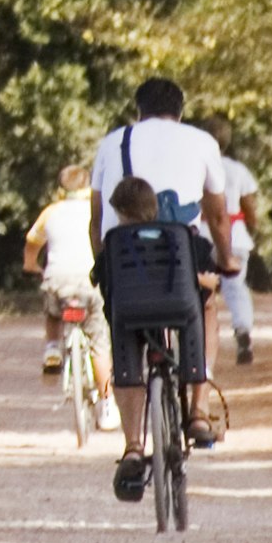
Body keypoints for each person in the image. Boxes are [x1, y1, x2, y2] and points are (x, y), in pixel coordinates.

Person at [96, 173, 223, 498]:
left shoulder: (114, 242)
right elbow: (212, 280)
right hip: (177, 312)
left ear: (121, 212)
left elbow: (100, 280)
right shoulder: (183, 236)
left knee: (123, 336)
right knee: (199, 310)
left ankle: (134, 447)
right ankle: (197, 412)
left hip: (132, 317)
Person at [197, 112, 262, 366]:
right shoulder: (238, 170)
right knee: (236, 288)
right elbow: (249, 206)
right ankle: (243, 330)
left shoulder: (196, 168)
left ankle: (200, 343)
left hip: (202, 233)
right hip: (236, 235)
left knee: (201, 292)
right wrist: (252, 228)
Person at [22, 159, 98, 376]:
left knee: (54, 312)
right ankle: (106, 399)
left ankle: (52, 348)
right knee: (99, 329)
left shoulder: (51, 212)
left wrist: (30, 266)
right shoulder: (96, 211)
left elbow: (32, 243)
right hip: (90, 278)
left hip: (58, 277)